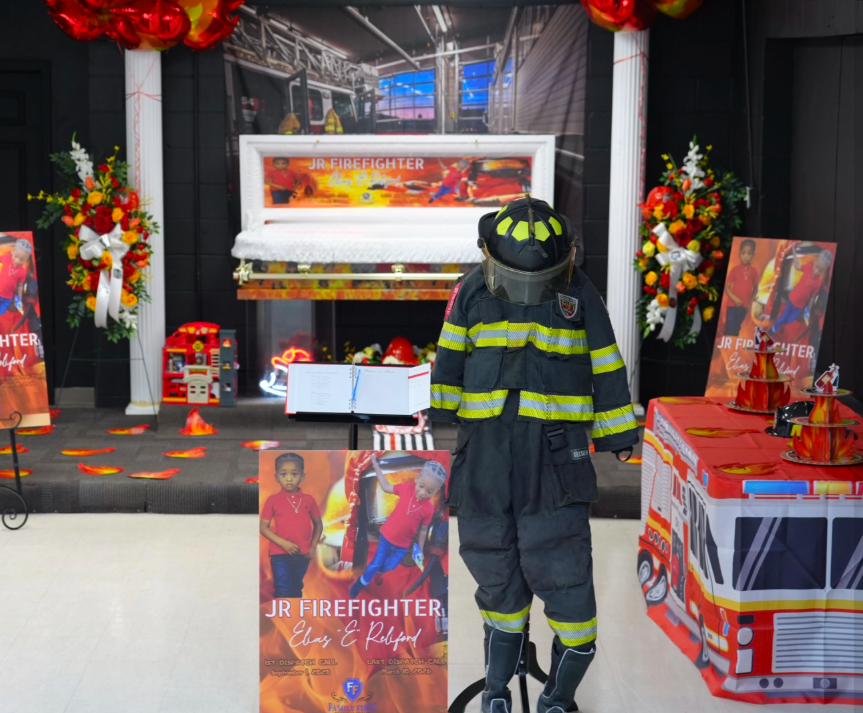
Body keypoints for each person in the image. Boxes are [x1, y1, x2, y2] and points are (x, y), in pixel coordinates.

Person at [430, 196, 638, 713]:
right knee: (493, 562)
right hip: (487, 453)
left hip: (555, 456)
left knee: (564, 568)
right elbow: (449, 355)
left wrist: (618, 434)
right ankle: (496, 692)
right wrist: (441, 414)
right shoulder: (471, 287)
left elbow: (605, 359)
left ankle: (556, 698)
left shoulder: (580, 291)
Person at [348, 455, 445, 598]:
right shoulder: (406, 489)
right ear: (417, 479)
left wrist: (420, 549)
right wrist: (376, 466)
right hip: (387, 536)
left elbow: (424, 530)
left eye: (430, 492)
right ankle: (360, 584)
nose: (423, 493)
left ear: (436, 491)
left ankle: (378, 571)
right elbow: (386, 487)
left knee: (391, 565)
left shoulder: (429, 509)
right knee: (375, 563)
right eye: (421, 486)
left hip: (404, 544)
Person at [260, 453, 323, 598]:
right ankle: (282, 612)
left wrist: (313, 547)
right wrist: (284, 543)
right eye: (283, 474)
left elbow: (318, 525)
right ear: (276, 477)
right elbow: (263, 527)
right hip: (279, 554)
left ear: (302, 476)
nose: (289, 479)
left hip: (303, 554)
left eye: (294, 474)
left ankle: (294, 613)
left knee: (296, 588)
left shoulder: (309, 500)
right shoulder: (272, 500)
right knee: (283, 589)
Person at [771, 246, 832, 334]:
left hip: (800, 306)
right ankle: (773, 328)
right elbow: (797, 266)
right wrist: (794, 252)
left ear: (823, 272)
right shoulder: (808, 268)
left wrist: (808, 309)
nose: (816, 270)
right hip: (792, 299)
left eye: (820, 270)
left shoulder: (818, 283)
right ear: (815, 262)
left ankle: (781, 324)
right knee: (784, 316)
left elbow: (812, 297)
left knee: (790, 320)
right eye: (816, 267)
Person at [724, 239, 758, 336]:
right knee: (730, 329)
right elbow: (727, 287)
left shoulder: (754, 271)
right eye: (743, 253)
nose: (746, 256)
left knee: (739, 330)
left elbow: (756, 288)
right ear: (739, 254)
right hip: (732, 305)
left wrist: (751, 302)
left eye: (749, 253)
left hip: (745, 306)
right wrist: (735, 298)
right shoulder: (734, 270)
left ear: (753, 255)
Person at [0, 239, 31, 316]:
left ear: (25, 259)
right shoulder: (7, 258)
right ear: (13, 251)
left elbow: (20, 286)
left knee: (2, 311)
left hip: (8, 298)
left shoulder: (23, 272)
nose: (17, 260)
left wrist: (19, 299)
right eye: (16, 256)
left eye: (21, 259)